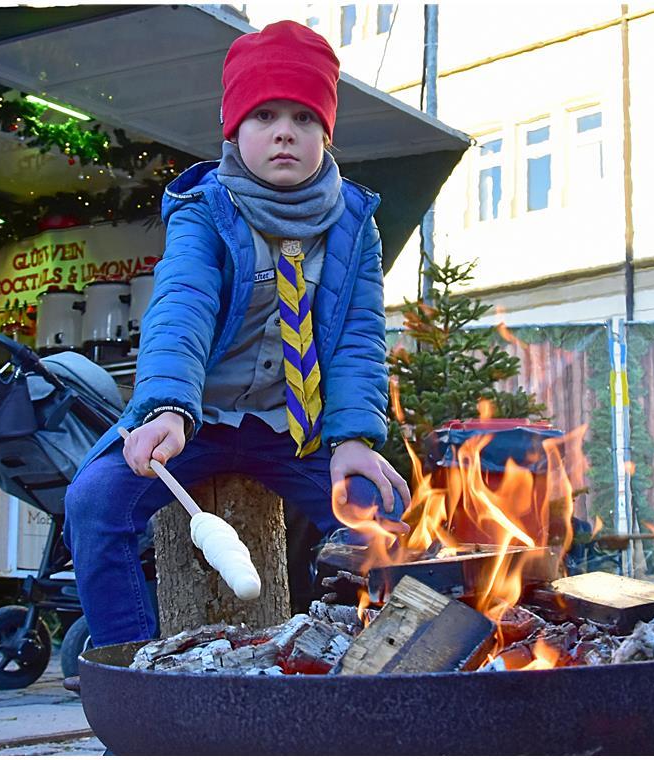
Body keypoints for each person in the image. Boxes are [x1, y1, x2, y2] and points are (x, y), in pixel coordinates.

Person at [63, 20, 410, 648]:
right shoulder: (204, 209)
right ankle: (129, 660)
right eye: (265, 115)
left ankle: (362, 656)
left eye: (305, 118)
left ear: (326, 134)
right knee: (95, 503)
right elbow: (181, 309)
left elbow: (360, 334)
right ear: (234, 129)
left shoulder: (354, 224)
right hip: (196, 420)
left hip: (292, 430)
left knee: (382, 510)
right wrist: (166, 407)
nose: (285, 131)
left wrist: (354, 436)